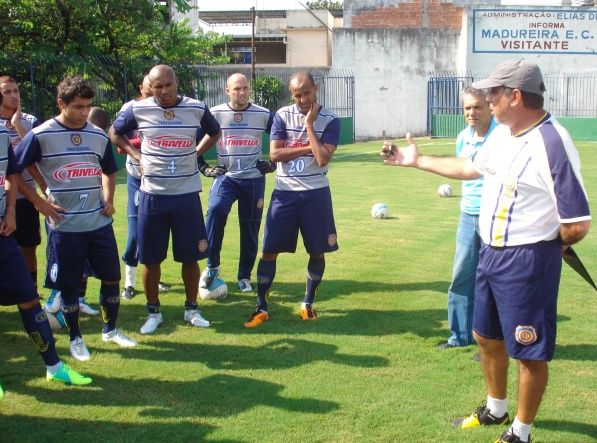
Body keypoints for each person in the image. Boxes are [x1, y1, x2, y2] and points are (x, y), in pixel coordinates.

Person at [382, 59, 591, 443]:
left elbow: (576, 221)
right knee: (485, 336)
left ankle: (521, 432)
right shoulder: (501, 135)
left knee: (528, 350)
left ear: (514, 96)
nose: (486, 98)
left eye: (493, 92)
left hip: (527, 260)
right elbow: (470, 168)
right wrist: (416, 160)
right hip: (491, 253)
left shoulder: (551, 142)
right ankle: (496, 409)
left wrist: (547, 248)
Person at [14, 76, 136, 362]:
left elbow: (108, 170)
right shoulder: (41, 134)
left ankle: (111, 329)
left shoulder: (96, 134)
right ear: (61, 104)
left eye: (88, 106)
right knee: (69, 284)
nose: (84, 112)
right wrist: (39, 201)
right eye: (78, 107)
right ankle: (75, 338)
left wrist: (107, 199)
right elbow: (14, 170)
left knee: (111, 277)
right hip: (65, 227)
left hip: (98, 224)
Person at [109, 64, 221, 335]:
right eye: (157, 86)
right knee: (150, 259)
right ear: (151, 86)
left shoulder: (196, 107)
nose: (163, 91)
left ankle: (192, 309)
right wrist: (136, 157)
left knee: (191, 258)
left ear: (176, 82)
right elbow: (114, 133)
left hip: (186, 195)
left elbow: (215, 131)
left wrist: (196, 152)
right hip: (152, 196)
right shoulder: (139, 108)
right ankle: (153, 312)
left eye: (167, 85)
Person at [0, 93, 92, 394]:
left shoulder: (2, 131)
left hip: (2, 233)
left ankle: (54, 367)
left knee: (29, 298)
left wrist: (13, 210)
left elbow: (13, 172)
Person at [244, 71, 341, 328]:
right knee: (268, 252)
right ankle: (261, 307)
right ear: (292, 94)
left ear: (315, 89)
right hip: (285, 192)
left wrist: (309, 126)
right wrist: (312, 145)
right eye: (297, 95)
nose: (302, 99)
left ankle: (307, 304)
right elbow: (275, 154)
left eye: (306, 93)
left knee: (317, 251)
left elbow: (322, 159)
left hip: (316, 193)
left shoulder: (331, 120)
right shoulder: (281, 116)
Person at [198, 73, 274, 294]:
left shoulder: (263, 114)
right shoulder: (215, 113)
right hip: (226, 177)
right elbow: (193, 142)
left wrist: (272, 164)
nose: (242, 93)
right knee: (215, 209)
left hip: (253, 180)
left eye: (245, 88)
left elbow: (283, 138)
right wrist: (204, 167)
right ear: (227, 90)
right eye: (237, 89)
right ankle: (212, 266)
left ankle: (244, 276)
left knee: (250, 228)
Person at [438, 86, 498, 350]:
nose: (472, 112)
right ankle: (460, 337)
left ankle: (492, 344)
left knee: (494, 282)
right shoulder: (463, 137)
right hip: (467, 214)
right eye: (467, 108)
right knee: (461, 276)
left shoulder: (502, 136)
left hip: (496, 216)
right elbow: (462, 171)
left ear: (489, 107)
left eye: (477, 107)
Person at [117, 76, 171, 299]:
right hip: (137, 178)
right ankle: (129, 282)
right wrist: (150, 141)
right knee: (134, 232)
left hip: (160, 179)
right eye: (152, 86)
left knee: (155, 232)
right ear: (142, 87)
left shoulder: (165, 108)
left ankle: (152, 279)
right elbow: (119, 142)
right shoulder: (131, 108)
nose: (155, 90)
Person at [0, 76, 43, 289]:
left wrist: (17, 125)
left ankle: (31, 290)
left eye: (16, 90)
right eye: (7, 91)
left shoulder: (30, 121)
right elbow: (9, 170)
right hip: (4, 198)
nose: (13, 95)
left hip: (27, 198)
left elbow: (37, 154)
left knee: (29, 246)